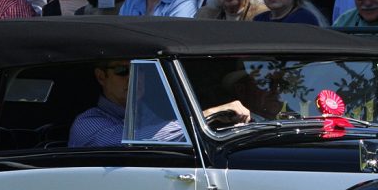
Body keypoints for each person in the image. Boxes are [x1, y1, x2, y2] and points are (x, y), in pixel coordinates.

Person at [69, 60, 251, 148]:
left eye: (139, 70)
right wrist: (210, 114)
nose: (133, 78)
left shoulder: (149, 114)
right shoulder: (87, 123)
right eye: (122, 70)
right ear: (101, 77)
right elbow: (133, 140)